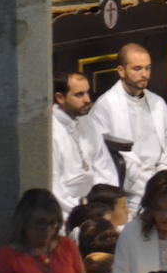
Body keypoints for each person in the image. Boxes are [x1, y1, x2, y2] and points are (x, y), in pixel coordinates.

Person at [89, 43, 167, 230]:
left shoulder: (157, 103)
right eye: (137, 68)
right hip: (135, 189)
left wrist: (166, 179)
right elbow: (109, 158)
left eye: (148, 68)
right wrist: (152, 185)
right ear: (121, 71)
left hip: (166, 179)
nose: (145, 74)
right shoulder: (106, 107)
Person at [51, 72, 119, 219]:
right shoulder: (51, 133)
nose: (88, 99)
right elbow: (55, 189)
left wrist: (105, 203)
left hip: (97, 206)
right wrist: (85, 210)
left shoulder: (87, 121)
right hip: (68, 212)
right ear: (60, 98)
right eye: (79, 95)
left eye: (87, 92)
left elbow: (105, 166)